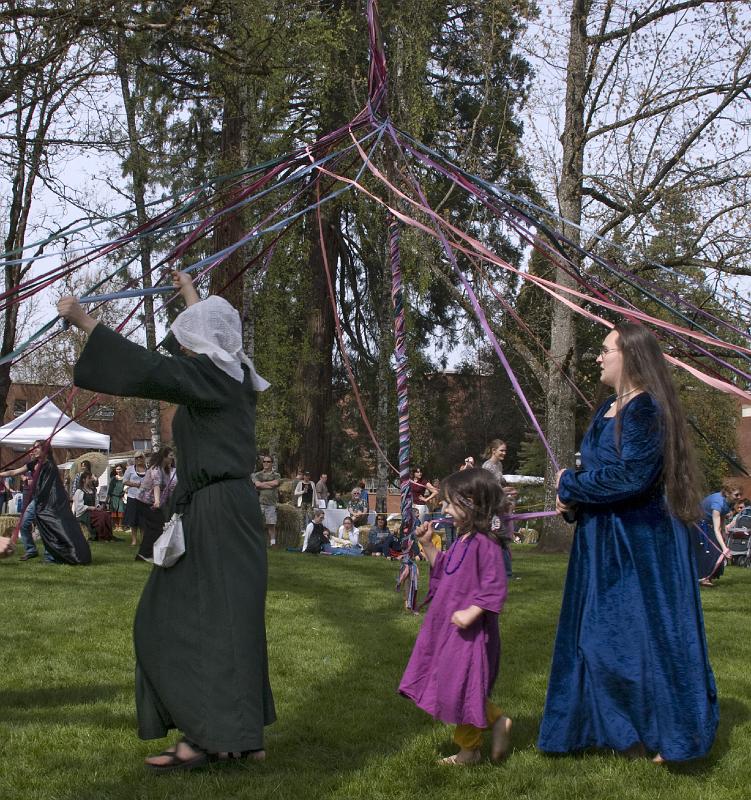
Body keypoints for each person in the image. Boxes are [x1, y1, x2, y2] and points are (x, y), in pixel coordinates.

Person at [58, 269, 275, 771]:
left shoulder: (211, 378)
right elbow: (203, 347)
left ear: (202, 342)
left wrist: (85, 320)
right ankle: (239, 736)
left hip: (217, 514)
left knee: (176, 621)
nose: (185, 346)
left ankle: (207, 737)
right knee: (229, 622)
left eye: (190, 337)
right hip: (225, 509)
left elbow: (151, 369)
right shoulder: (235, 376)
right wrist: (191, 296)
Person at [538, 322, 719, 763]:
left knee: (641, 640)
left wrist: (573, 485)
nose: (598, 358)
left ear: (631, 357)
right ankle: (607, 730)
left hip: (642, 546)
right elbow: (605, 477)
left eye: (605, 350)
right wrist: (574, 503)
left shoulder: (646, 411)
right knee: (594, 639)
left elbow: (633, 477)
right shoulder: (606, 409)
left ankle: (670, 734)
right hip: (602, 542)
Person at [398, 468, 512, 765]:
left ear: (472, 501)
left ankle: (469, 750)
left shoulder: (486, 544)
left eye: (450, 502)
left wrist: (471, 613)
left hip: (472, 633)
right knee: (455, 685)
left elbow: (495, 585)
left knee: (463, 686)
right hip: (450, 628)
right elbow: (445, 571)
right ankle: (496, 721)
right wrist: (427, 545)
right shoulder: (464, 539)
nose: (444, 508)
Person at [0, 441, 44, 560]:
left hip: (47, 501)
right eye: (33, 448)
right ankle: (31, 549)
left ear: (44, 449)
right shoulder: (32, 463)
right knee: (24, 524)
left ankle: (52, 554)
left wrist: (35, 481)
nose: (33, 450)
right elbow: (14, 472)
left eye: (37, 448)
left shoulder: (47, 465)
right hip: (36, 499)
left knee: (47, 527)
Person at [136, 446, 176, 562]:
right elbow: (156, 485)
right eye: (170, 456)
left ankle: (143, 555)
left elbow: (167, 489)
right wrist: (157, 501)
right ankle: (146, 554)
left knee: (153, 528)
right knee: (157, 526)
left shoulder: (167, 471)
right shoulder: (155, 469)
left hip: (154, 504)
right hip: (145, 502)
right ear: (164, 457)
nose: (172, 459)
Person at [696, 487, 736, 586]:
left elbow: (721, 520)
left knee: (717, 549)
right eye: (736, 495)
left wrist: (724, 536)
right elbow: (716, 529)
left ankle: (709, 577)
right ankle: (703, 577)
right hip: (700, 526)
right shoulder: (717, 504)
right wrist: (724, 549)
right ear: (727, 493)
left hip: (709, 525)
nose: (739, 497)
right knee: (710, 551)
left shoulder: (727, 502)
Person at [252, 457, 281, 547]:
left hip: (271, 503)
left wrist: (262, 484)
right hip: (259, 503)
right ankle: (255, 542)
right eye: (264, 461)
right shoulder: (257, 474)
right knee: (256, 523)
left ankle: (273, 543)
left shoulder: (276, 474)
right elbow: (257, 484)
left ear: (272, 463)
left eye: (268, 462)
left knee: (271, 524)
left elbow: (276, 483)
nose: (266, 463)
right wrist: (269, 485)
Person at [123, 452, 148, 547]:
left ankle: (143, 540)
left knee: (143, 521)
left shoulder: (148, 469)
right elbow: (124, 481)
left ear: (143, 458)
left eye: (140, 457)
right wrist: (135, 485)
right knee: (133, 520)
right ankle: (134, 541)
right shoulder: (130, 469)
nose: (138, 459)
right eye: (136, 458)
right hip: (132, 497)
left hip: (145, 498)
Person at [73, 472, 99, 541]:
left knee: (105, 515)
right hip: (83, 514)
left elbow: (96, 503)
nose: (91, 480)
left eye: (91, 478)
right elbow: (78, 507)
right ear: (84, 480)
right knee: (100, 517)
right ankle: (95, 535)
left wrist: (98, 507)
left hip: (93, 512)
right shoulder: (79, 491)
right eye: (89, 478)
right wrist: (89, 507)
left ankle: (105, 536)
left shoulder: (93, 490)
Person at [106, 464, 126, 529]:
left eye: (119, 469)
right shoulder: (113, 478)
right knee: (114, 511)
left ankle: (120, 526)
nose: (118, 470)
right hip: (113, 496)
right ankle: (116, 526)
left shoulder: (125, 478)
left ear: (122, 469)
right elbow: (110, 489)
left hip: (121, 497)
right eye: (117, 469)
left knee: (121, 511)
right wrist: (108, 498)